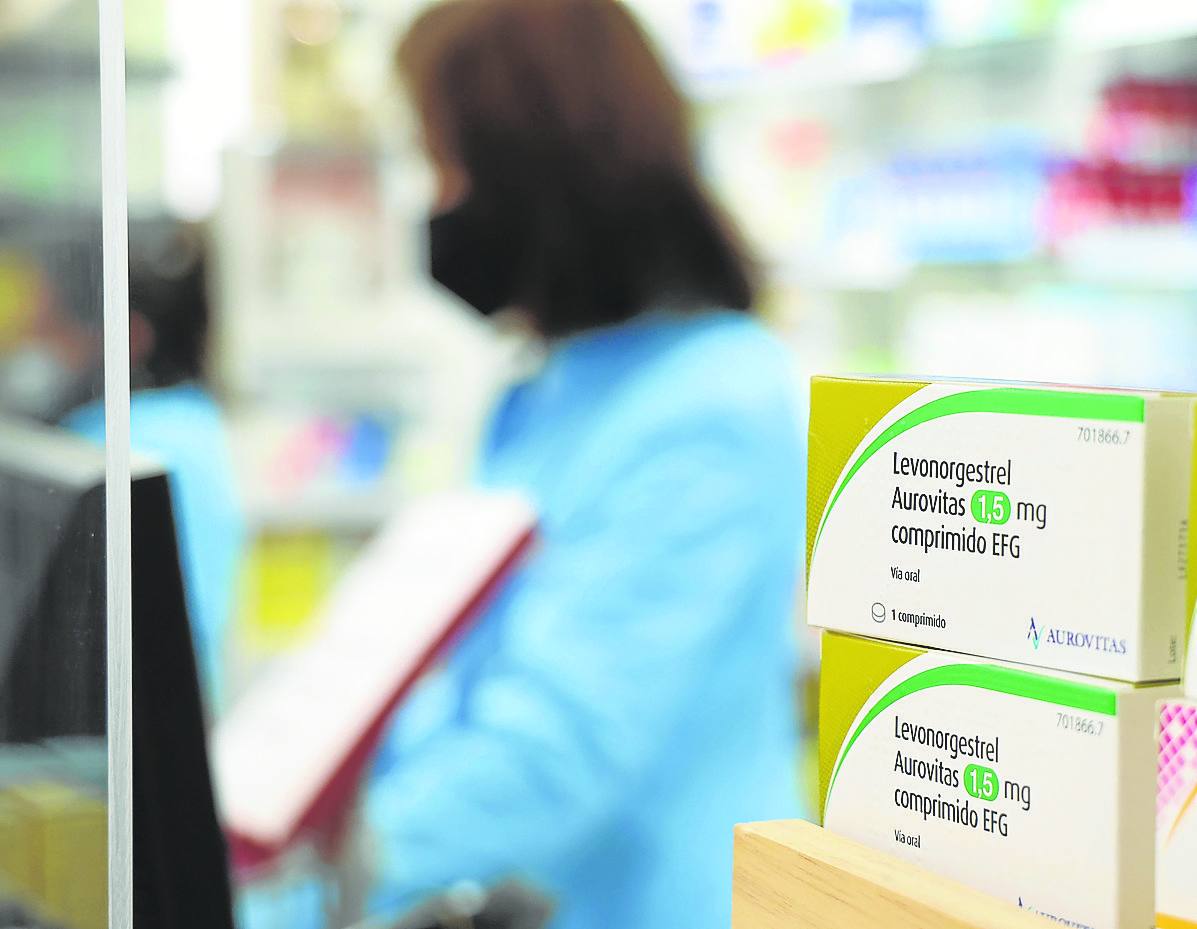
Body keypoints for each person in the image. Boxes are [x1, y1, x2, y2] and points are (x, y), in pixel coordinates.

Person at [366, 2, 806, 927]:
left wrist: (318, 867)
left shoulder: (713, 403)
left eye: (445, 163)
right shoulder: (554, 384)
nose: (435, 203)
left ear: (531, 166)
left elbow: (558, 748)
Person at [63, 219, 245, 713]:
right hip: (188, 709)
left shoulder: (100, 440)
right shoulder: (200, 422)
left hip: (125, 718)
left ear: (128, 336)